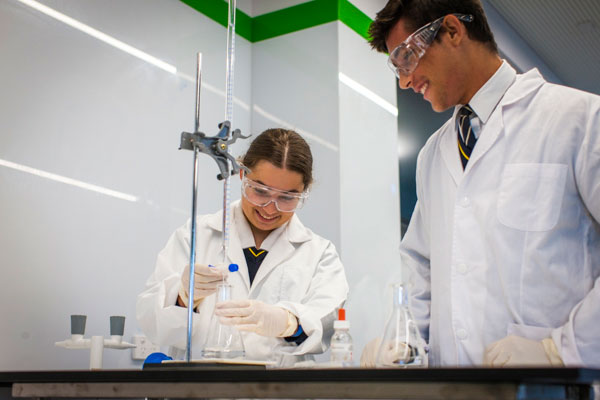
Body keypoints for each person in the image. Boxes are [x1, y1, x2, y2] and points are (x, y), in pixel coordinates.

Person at [361, 0, 600, 367]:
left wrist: (560, 350)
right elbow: (421, 265)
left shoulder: (579, 119)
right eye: (397, 69)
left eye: (407, 58)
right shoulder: (432, 154)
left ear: (453, 31)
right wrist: (406, 339)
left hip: (558, 387)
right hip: (452, 388)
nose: (405, 80)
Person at [137, 128, 349, 366]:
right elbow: (150, 319)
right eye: (260, 191)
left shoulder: (320, 254)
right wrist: (183, 296)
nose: (270, 208)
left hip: (279, 392)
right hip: (202, 389)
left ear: (304, 192)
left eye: (287, 198)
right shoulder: (196, 234)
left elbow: (328, 323)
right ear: (241, 175)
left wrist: (288, 322)